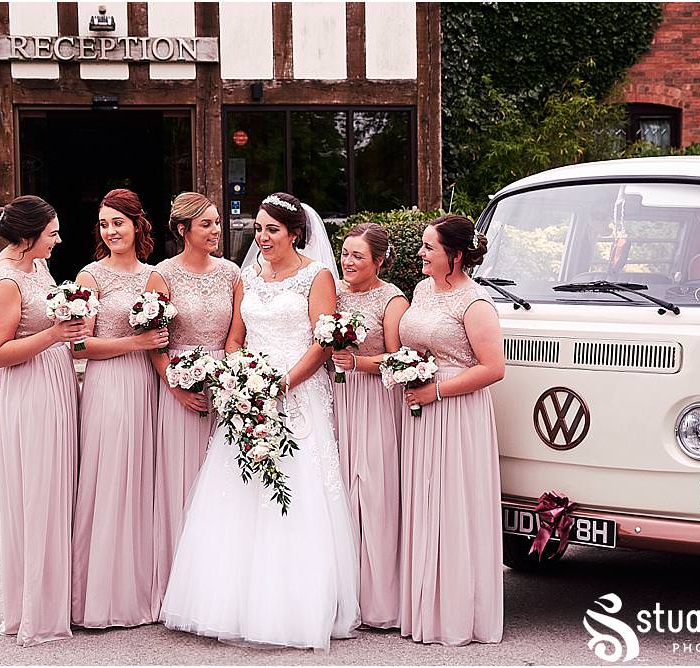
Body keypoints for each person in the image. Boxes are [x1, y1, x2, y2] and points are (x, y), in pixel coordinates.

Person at [159, 192, 360, 650]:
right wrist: (242, 376)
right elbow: (235, 338)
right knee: (239, 493)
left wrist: (281, 383)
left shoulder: (317, 275)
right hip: (249, 393)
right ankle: (231, 604)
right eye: (259, 228)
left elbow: (321, 341)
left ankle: (294, 609)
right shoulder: (248, 276)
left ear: (295, 233)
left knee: (298, 491)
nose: (262, 236)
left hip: (297, 395)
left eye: (272, 229)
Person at [0, 195, 85, 647]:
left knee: (59, 490)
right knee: (38, 494)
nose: (59, 239)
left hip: (56, 379)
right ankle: (34, 611)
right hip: (28, 390)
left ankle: (57, 599)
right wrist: (54, 334)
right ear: (28, 237)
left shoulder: (37, 267)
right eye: (52, 233)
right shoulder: (6, 281)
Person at [397, 214, 505, 646]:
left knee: (454, 505)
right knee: (425, 502)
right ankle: (426, 606)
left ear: (455, 256)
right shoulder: (423, 289)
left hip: (457, 413)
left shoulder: (475, 304)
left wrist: (436, 389)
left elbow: (493, 368)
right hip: (421, 409)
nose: (420, 254)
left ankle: (461, 614)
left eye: (429, 248)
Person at [70, 189, 168, 628]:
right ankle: (100, 597)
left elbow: (164, 340)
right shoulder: (90, 277)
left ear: (137, 225)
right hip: (107, 386)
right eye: (104, 223)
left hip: (147, 387)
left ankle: (142, 591)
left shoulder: (154, 277)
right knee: (107, 479)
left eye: (118, 222)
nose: (111, 231)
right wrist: (134, 342)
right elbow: (79, 345)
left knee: (142, 481)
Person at [146, 192, 240, 620]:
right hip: (179, 387)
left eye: (218, 223)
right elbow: (155, 340)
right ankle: (176, 588)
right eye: (207, 225)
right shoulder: (162, 276)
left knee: (224, 487)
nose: (216, 231)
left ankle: (220, 587)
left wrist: (236, 383)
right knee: (180, 482)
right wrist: (174, 384)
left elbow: (238, 338)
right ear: (183, 230)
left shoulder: (232, 274)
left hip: (226, 387)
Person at [330, 223, 408, 629]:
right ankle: (345, 597)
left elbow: (401, 358)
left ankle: (380, 602)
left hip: (375, 401)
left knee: (374, 496)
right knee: (338, 493)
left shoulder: (391, 299)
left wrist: (359, 363)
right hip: (337, 401)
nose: (348, 261)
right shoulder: (335, 294)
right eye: (345, 253)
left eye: (357, 256)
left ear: (378, 261)